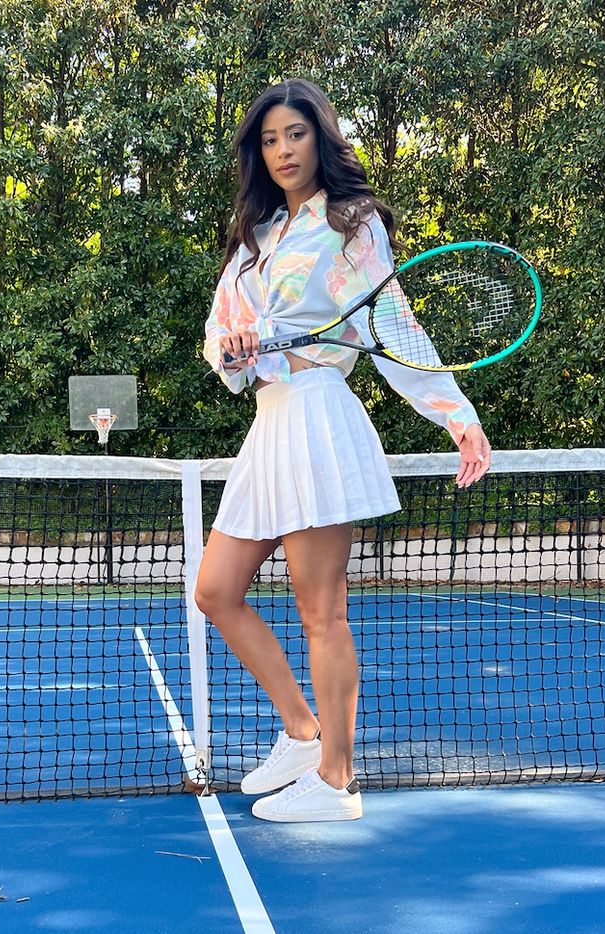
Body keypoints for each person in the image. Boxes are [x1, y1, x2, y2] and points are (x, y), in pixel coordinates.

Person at [196, 78, 491, 823]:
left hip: (321, 417)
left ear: (318, 138)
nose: (281, 150)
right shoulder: (254, 238)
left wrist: (457, 414)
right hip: (269, 423)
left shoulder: (350, 224)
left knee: (320, 610)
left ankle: (337, 781)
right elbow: (218, 336)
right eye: (268, 139)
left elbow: (393, 326)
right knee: (215, 590)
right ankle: (301, 732)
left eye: (294, 134)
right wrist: (229, 348)